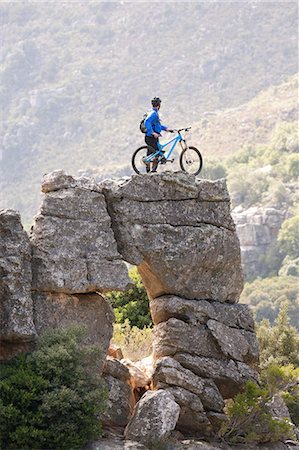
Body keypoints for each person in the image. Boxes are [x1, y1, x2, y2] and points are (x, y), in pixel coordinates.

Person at [144, 97, 171, 173]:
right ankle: (153, 171)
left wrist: (166, 128)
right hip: (152, 136)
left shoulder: (152, 112)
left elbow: (157, 125)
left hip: (150, 136)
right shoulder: (154, 114)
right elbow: (147, 122)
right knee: (157, 153)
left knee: (150, 153)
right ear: (159, 105)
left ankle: (149, 170)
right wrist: (153, 132)